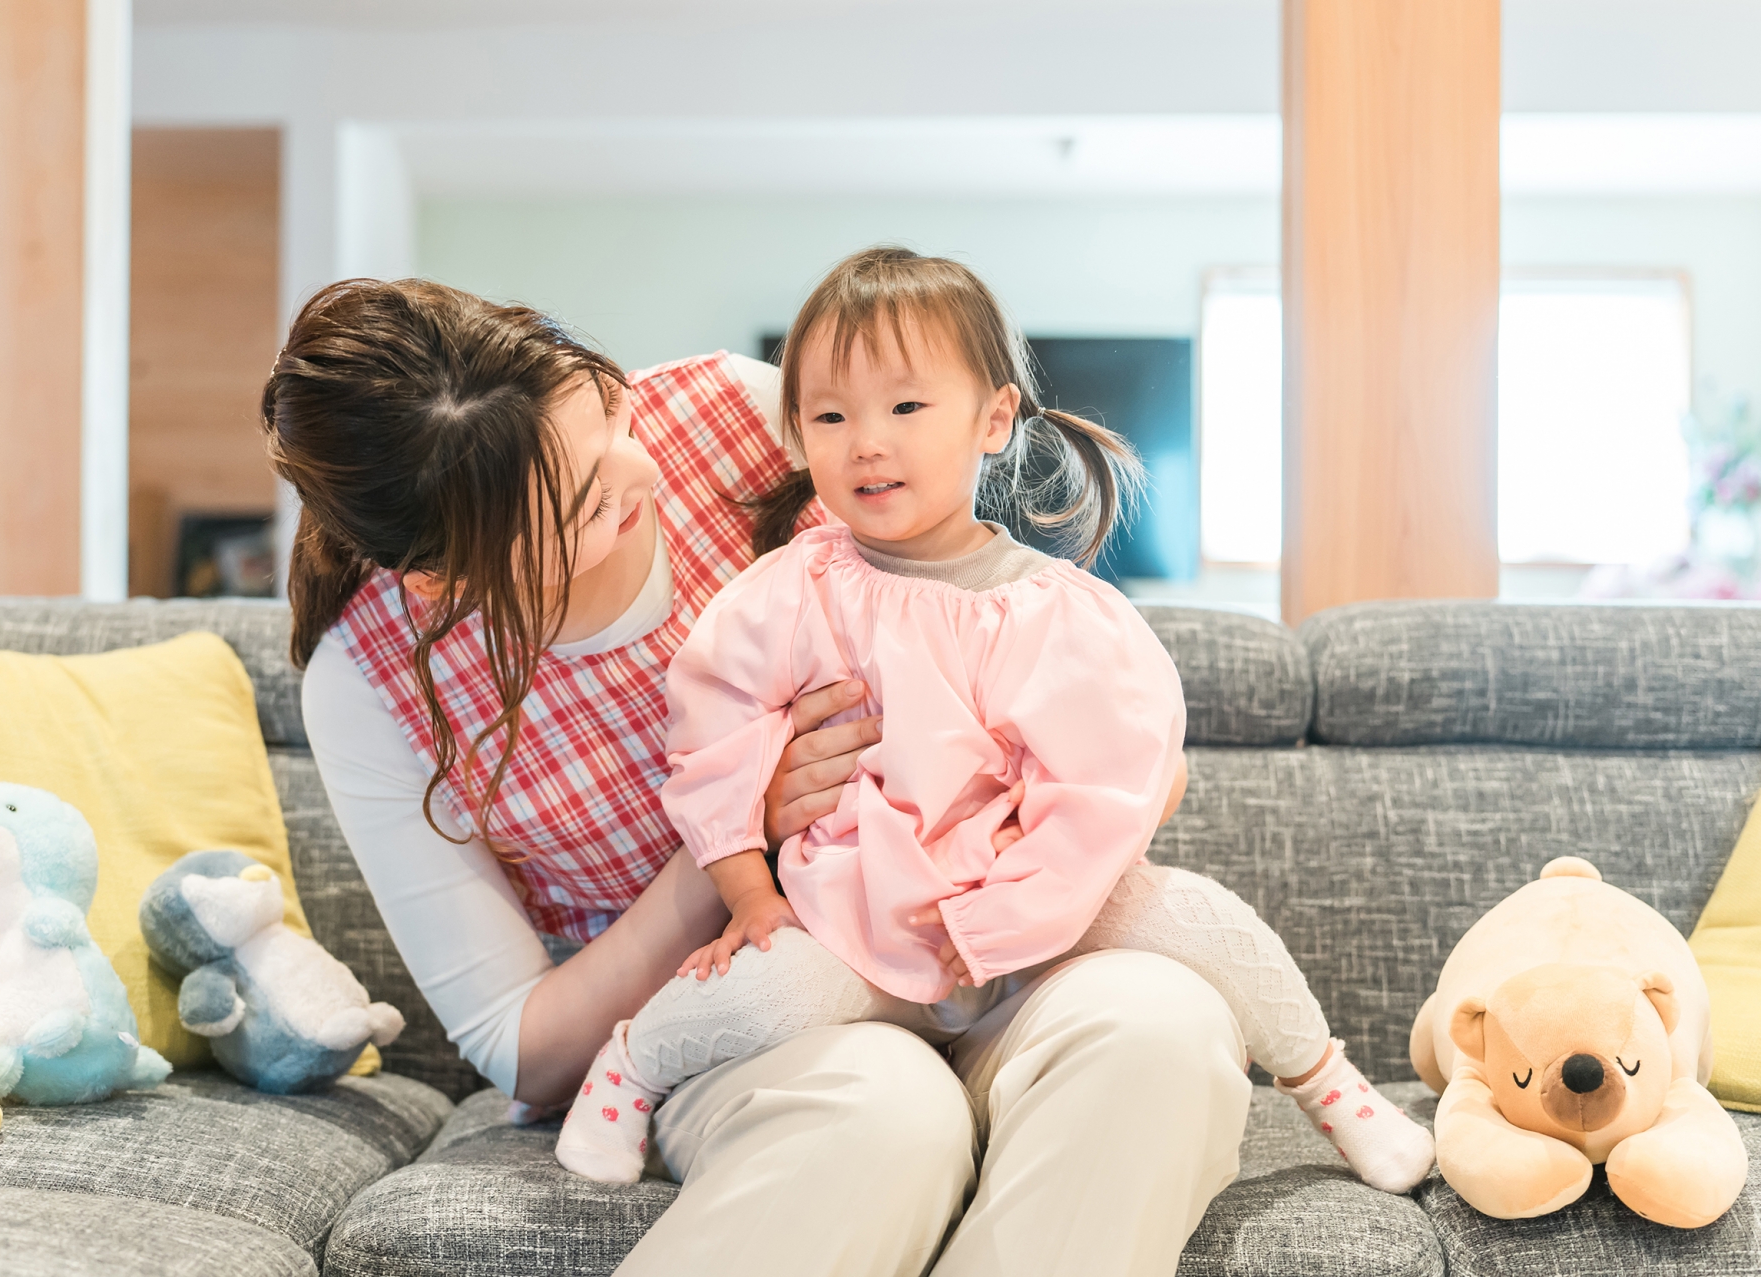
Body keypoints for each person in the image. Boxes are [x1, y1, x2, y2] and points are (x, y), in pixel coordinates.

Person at [266, 274, 1246, 1276]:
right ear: (448, 575)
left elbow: (1002, 629)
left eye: (608, 414)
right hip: (749, 1020)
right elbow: (524, 1044)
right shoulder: (371, 683)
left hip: (989, 954)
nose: (640, 473)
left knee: (1161, 1027)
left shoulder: (741, 413)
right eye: (586, 501)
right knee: (880, 1108)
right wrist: (735, 835)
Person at [554, 248, 1434, 1200]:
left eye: (905, 407)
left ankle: (1332, 1087)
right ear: (799, 434)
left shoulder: (1063, 614)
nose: (866, 443)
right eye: (831, 415)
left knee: (1188, 913)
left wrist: (1002, 914)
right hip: (857, 925)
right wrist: (749, 896)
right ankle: (628, 1068)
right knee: (764, 982)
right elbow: (712, 745)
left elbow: (1105, 793)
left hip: (1039, 925)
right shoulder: (787, 591)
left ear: (995, 418)